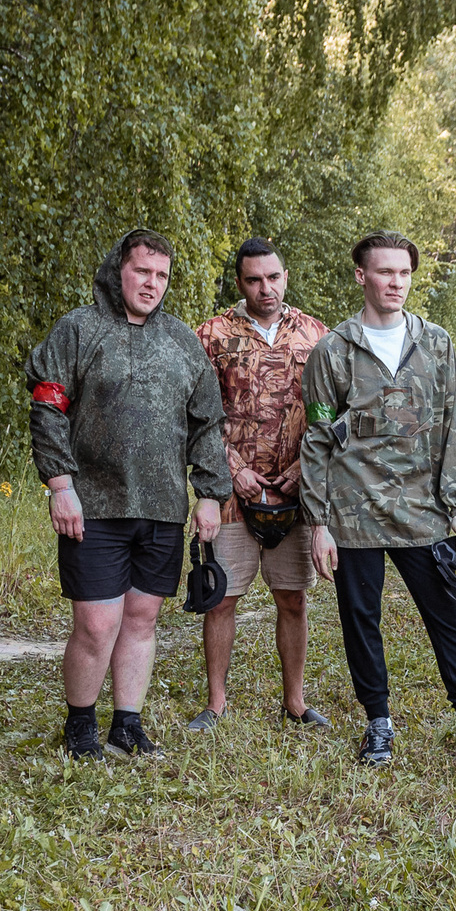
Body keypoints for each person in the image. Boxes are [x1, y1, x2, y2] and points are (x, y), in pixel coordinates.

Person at [28, 229, 230, 759]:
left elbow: (208, 421)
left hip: (161, 508)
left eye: (162, 275)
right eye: (143, 271)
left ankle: (127, 723)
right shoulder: (78, 329)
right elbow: (47, 407)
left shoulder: (181, 340)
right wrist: (60, 485)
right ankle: (80, 728)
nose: (152, 284)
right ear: (118, 269)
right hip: (92, 507)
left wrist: (209, 493)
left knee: (141, 621)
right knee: (97, 624)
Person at [298, 232, 456, 767]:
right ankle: (378, 724)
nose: (395, 282)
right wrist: (318, 521)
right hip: (354, 511)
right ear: (362, 276)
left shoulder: (435, 343)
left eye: (404, 273)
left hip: (422, 511)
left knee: (449, 616)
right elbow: (316, 438)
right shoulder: (333, 351)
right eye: (384, 272)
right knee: (360, 619)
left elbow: (454, 425)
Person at [189, 239, 331, 730]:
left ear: (285, 277)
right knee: (222, 597)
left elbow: (332, 414)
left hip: (296, 490)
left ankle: (295, 700)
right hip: (231, 494)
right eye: (254, 279)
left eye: (273, 278)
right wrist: (230, 469)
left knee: (293, 597)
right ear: (240, 283)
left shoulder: (316, 335)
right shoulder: (210, 335)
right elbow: (197, 416)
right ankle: (216, 702)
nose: (265, 288)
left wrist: (304, 470)